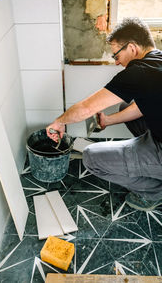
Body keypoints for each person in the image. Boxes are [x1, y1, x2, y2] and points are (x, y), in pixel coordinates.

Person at [46, 17, 162, 211]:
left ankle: (154, 192)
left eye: (116, 55)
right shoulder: (157, 60)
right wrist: (108, 120)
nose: (117, 62)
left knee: (91, 157)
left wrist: (59, 122)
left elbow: (86, 108)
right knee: (126, 105)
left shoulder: (139, 72)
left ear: (132, 48)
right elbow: (144, 106)